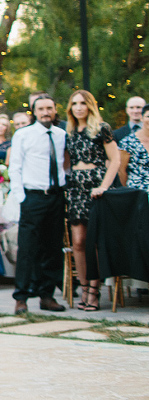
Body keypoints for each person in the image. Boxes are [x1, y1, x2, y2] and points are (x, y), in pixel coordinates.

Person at [9, 95, 68, 314]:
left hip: (56, 196)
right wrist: (21, 196)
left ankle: (47, 296)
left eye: (49, 108)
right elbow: (15, 167)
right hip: (32, 197)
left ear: (54, 110)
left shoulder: (62, 134)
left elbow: (65, 165)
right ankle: (21, 298)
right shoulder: (23, 134)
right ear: (34, 111)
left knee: (53, 248)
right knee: (27, 249)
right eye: (41, 108)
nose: (45, 112)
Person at [64, 91, 119, 312]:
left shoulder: (101, 128)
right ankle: (84, 286)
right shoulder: (68, 132)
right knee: (78, 241)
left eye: (82, 103)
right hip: (76, 186)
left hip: (96, 186)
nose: (78, 107)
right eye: (74, 103)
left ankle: (95, 291)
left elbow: (114, 160)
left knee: (94, 241)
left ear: (90, 106)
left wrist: (104, 186)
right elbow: (66, 163)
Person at [119, 121, 149, 190]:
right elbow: (121, 170)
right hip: (137, 190)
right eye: (148, 116)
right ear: (142, 117)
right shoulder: (128, 141)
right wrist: (127, 189)